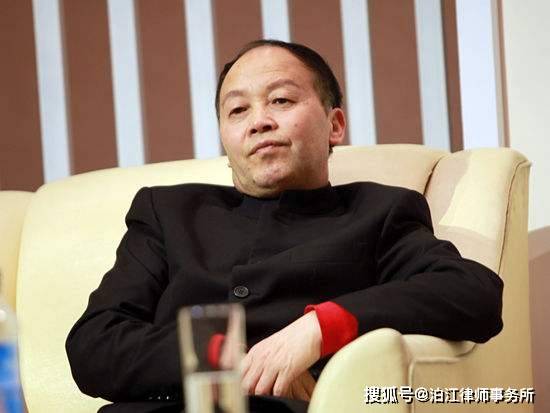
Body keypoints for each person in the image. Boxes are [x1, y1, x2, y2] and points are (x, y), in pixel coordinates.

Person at [66, 40, 503, 413]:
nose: (259, 121)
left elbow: (472, 293)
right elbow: (93, 344)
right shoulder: (169, 212)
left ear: (334, 125)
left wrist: (319, 329)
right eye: (238, 110)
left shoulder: (379, 211)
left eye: (281, 101)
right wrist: (223, 356)